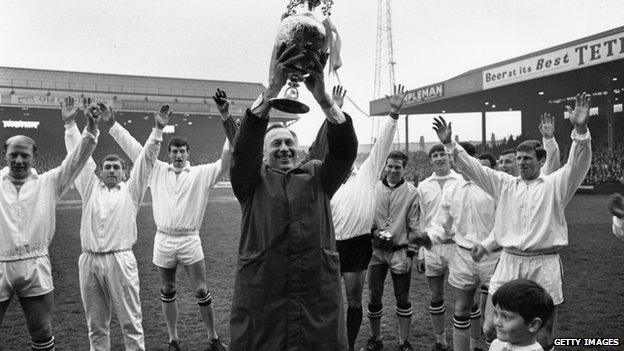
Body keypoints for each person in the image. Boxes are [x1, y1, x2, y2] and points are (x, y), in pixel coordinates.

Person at [433, 92, 592, 351]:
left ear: (541, 161)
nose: (521, 163)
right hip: (509, 260)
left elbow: (579, 164)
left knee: (544, 335)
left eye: (527, 159)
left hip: (544, 262)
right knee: (490, 328)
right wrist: (451, 145)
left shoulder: (556, 185)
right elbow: (475, 168)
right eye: (518, 159)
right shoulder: (505, 184)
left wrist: (581, 130)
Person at [228, 44, 357, 351]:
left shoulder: (318, 176)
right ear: (264, 152)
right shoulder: (251, 181)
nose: (284, 147)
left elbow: (344, 152)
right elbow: (243, 150)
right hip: (264, 297)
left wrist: (323, 99)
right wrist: (272, 90)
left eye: (289, 142)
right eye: (276, 144)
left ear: (299, 149)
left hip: (316, 296)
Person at [108, 93, 233, 351]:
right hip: (163, 239)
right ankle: (173, 338)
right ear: (169, 152)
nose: (178, 155)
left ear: (188, 154)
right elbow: (133, 149)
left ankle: (212, 337)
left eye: (182, 151)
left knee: (201, 290)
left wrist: (226, 120)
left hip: (190, 239)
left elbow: (225, 161)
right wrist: (112, 125)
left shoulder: (200, 174)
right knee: (167, 287)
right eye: (174, 151)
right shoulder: (156, 170)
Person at [62, 97, 168, 350]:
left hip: (120, 260)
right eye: (107, 167)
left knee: (131, 324)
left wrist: (158, 129)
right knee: (96, 327)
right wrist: (70, 125)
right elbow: (78, 157)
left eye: (116, 167)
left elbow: (146, 160)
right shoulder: (89, 187)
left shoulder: (132, 191)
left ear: (124, 172)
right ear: (99, 171)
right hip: (88, 261)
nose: (111, 170)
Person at [0, 102, 100, 351]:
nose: (20, 160)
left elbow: (76, 160)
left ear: (34, 156)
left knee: (42, 331)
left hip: (36, 265)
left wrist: (89, 127)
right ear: (6, 156)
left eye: (25, 155)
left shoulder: (49, 182)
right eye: (14, 155)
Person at [426, 141, 498, 351]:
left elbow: (505, 224)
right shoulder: (451, 189)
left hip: (494, 257)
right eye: (455, 160)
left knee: (494, 321)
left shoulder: (493, 184)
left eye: (462, 158)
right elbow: (443, 225)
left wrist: (486, 244)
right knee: (461, 308)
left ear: (473, 159)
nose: (458, 163)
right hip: (463, 257)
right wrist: (429, 238)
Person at [361, 150, 426, 351]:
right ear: (385, 166)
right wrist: (374, 233)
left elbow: (415, 226)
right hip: (376, 252)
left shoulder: (412, 191)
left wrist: (411, 254)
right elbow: (365, 217)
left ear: (404, 169)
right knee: (374, 296)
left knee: (403, 297)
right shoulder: (373, 189)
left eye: (398, 167)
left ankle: (403, 342)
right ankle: (375, 339)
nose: (393, 170)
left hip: (400, 251)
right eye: (390, 166)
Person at [417, 143, 463, 351]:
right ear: (431, 160)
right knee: (436, 296)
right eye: (434, 155)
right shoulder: (424, 185)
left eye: (442, 154)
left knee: (464, 297)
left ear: (449, 157)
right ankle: (440, 340)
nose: (438, 158)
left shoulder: (461, 180)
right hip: (432, 248)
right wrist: (420, 253)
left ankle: (470, 343)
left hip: (458, 247)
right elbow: (421, 220)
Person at [489, 279, 554, 351]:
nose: (496, 322)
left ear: (533, 325)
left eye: (505, 317)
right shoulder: (497, 344)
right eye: (496, 314)